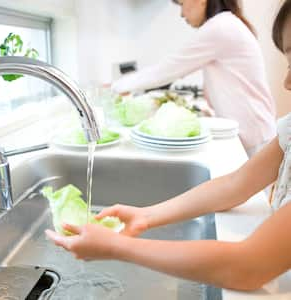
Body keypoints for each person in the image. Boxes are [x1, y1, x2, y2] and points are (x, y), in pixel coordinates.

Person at [46, 0, 291, 292]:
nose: (286, 82)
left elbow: (246, 267)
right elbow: (237, 184)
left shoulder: (223, 26)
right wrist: (146, 215)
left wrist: (117, 247)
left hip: (251, 133)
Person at [111, 0, 277, 157]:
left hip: (254, 136)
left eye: (182, 4)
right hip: (257, 131)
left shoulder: (220, 27)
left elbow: (169, 69)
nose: (182, 14)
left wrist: (115, 87)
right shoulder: (228, 23)